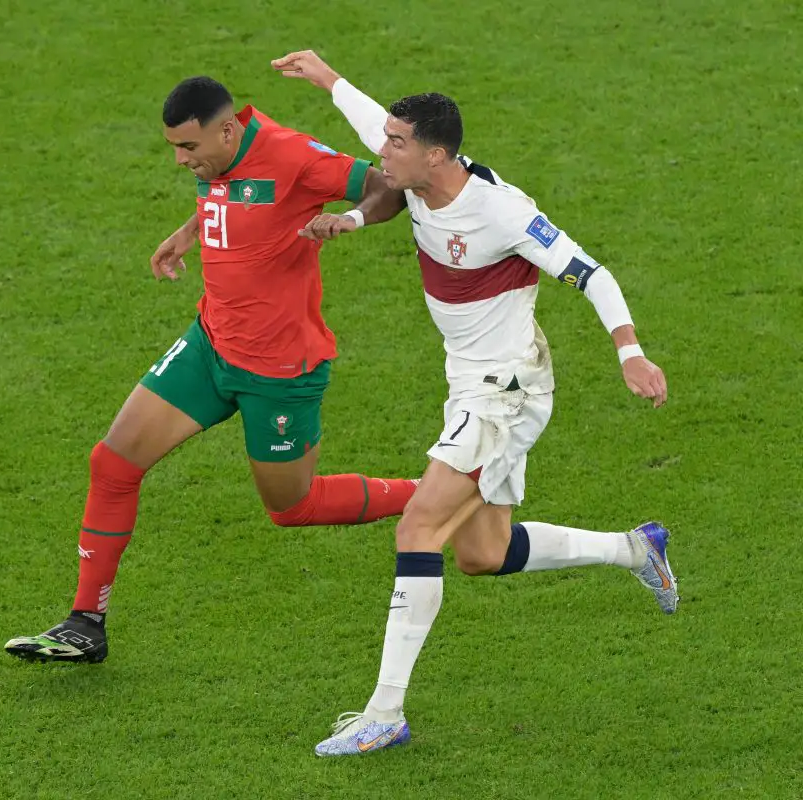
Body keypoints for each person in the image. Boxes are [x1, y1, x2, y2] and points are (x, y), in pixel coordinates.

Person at [271, 50, 678, 756]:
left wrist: (630, 352)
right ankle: (636, 549)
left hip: (506, 390)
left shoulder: (500, 212)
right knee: (482, 553)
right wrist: (328, 78)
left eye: (397, 145)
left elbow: (590, 272)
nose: (382, 153)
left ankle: (384, 712)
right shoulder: (418, 173)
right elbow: (375, 127)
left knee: (418, 528)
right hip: (471, 383)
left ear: (435, 155)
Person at [5, 76, 422, 665]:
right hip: (211, 344)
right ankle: (85, 622)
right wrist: (190, 230)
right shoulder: (218, 162)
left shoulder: (293, 156)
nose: (180, 160)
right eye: (173, 147)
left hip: (279, 369)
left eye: (189, 148)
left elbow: (387, 187)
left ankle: (438, 493)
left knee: (292, 507)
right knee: (114, 462)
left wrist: (350, 219)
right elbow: (234, 197)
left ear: (228, 129)